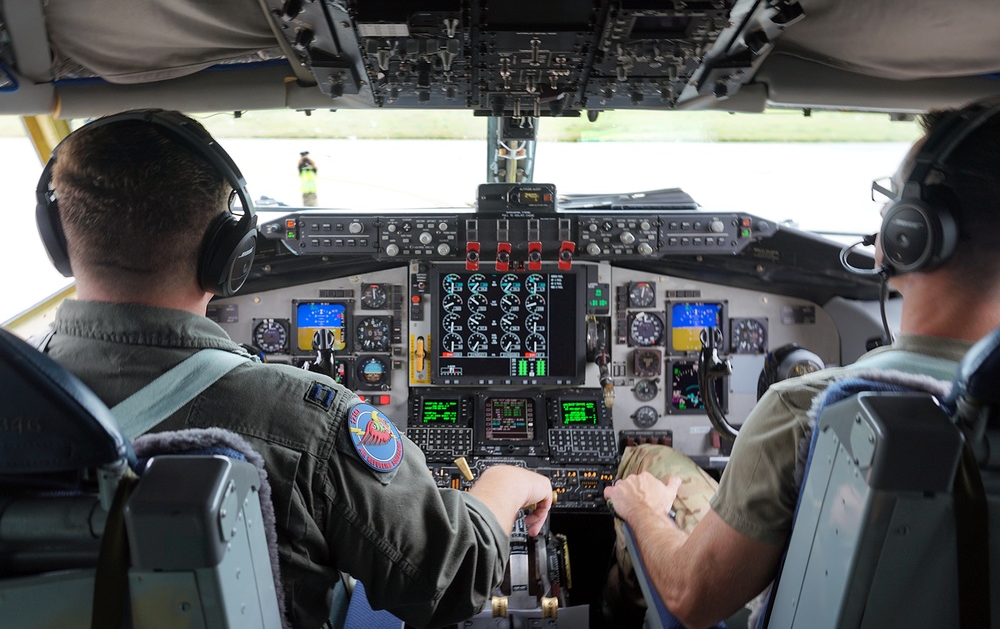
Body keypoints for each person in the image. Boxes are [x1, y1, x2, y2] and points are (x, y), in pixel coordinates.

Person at [34, 109, 553, 629]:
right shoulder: (306, 423)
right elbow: (452, 579)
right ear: (226, 255)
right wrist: (503, 485)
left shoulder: (16, 392)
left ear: (58, 239)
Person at [603, 96, 1000, 629]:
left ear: (912, 232)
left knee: (648, 467)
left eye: (894, 202)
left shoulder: (807, 408)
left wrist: (642, 511)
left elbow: (691, 598)